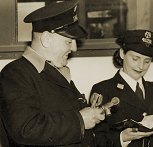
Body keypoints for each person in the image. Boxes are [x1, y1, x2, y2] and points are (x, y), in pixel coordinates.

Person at [0, 0, 105, 146]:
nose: (74, 48)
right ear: (46, 39)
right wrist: (80, 120)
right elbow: (26, 129)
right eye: (68, 42)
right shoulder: (15, 74)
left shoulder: (56, 70)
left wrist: (91, 114)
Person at [89, 30, 153, 147]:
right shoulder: (103, 89)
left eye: (147, 61)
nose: (141, 66)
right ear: (123, 53)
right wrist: (122, 137)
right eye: (135, 59)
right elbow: (96, 139)